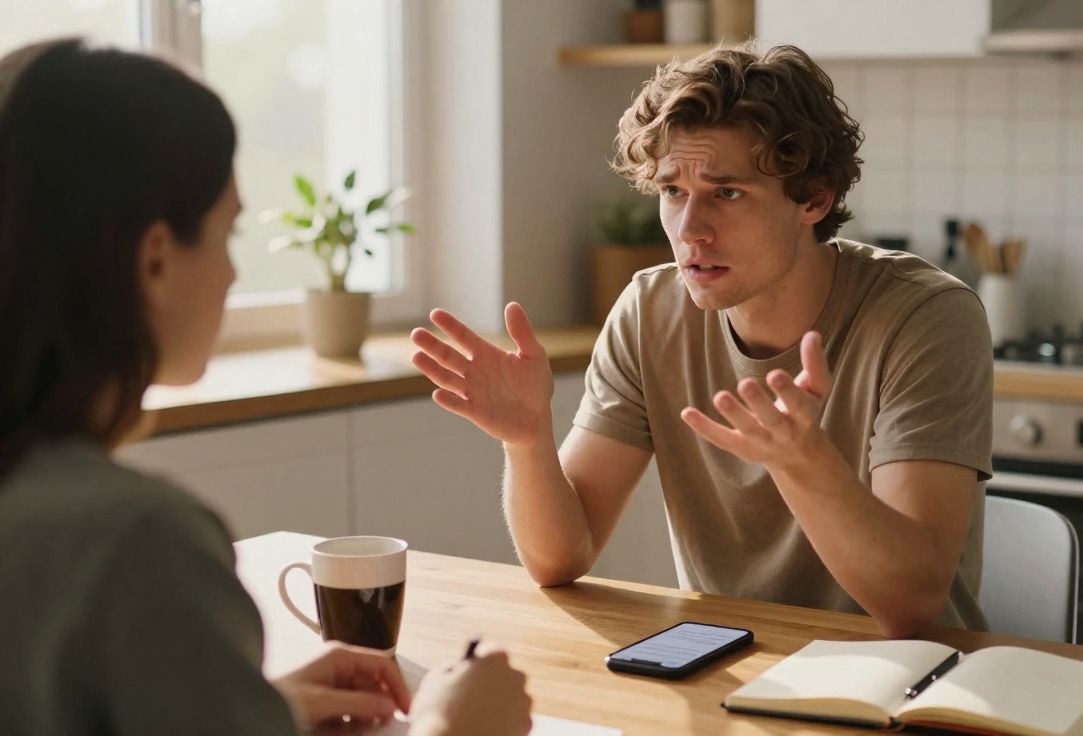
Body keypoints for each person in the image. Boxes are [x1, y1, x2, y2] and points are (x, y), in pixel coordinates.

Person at [0, 38, 531, 736]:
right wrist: (453, 725)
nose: (231, 274)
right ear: (154, 261)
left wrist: (253, 708)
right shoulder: (139, 542)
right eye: (227, 234)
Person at [410, 44, 993, 639]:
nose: (690, 231)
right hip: (728, 662)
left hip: (907, 675)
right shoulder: (650, 311)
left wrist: (802, 461)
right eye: (672, 192)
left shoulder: (924, 316)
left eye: (727, 193)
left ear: (815, 199)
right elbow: (559, 558)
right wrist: (529, 442)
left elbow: (913, 603)